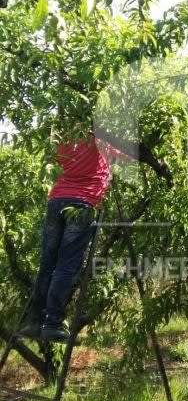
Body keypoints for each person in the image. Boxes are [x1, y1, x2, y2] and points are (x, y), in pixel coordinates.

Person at [19, 131, 131, 342]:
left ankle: (34, 322)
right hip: (82, 203)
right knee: (66, 266)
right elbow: (130, 153)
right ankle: (52, 323)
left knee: (47, 264)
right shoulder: (101, 136)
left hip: (56, 201)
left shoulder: (63, 136)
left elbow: (54, 163)